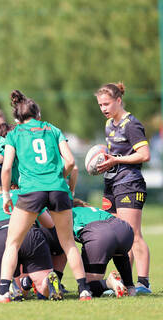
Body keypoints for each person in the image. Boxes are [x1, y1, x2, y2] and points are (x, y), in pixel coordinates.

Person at [0, 90, 91, 302]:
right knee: (68, 242)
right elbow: (70, 162)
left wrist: (5, 195)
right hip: (58, 188)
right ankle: (84, 289)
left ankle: (3, 292)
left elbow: (6, 168)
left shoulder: (14, 133)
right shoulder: (53, 129)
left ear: (16, 118)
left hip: (31, 190)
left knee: (12, 242)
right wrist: (60, 180)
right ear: (38, 113)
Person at [95, 82, 151, 294]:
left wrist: (116, 160)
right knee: (118, 237)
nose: (104, 108)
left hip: (130, 183)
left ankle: (144, 283)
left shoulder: (131, 124)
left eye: (107, 103)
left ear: (119, 100)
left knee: (133, 234)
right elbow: (113, 156)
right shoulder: (109, 124)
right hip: (112, 184)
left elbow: (144, 154)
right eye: (100, 105)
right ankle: (126, 283)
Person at [72, 198, 135, 297]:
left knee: (87, 288)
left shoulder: (68, 213)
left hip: (99, 233)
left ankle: (109, 282)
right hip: (124, 229)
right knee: (119, 253)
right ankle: (130, 287)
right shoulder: (93, 209)